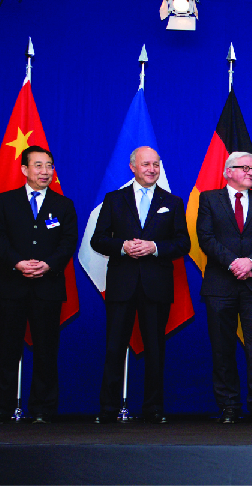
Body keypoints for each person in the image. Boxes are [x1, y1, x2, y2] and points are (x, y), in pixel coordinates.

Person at [91, 146, 190, 425]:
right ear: (132, 167)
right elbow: (97, 240)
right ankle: (108, 409)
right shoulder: (114, 199)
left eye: (156, 165)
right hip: (122, 284)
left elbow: (183, 243)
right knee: (114, 347)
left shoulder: (172, 201)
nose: (152, 169)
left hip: (156, 285)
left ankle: (153, 408)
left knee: (156, 350)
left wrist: (154, 247)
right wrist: (122, 246)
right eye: (146, 164)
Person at [0, 146, 78, 424]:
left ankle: (43, 409)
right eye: (38, 166)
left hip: (47, 286)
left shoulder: (64, 205)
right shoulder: (5, 201)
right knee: (8, 349)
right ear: (25, 170)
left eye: (49, 166)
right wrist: (18, 263)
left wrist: (48, 264)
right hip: (12, 286)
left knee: (47, 350)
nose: (45, 172)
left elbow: (67, 242)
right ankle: (1, 409)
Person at [197, 151, 252, 425]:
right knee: (222, 349)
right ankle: (229, 405)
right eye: (244, 168)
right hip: (220, 285)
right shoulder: (209, 199)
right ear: (227, 171)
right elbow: (205, 238)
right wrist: (233, 263)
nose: (250, 173)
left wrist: (251, 262)